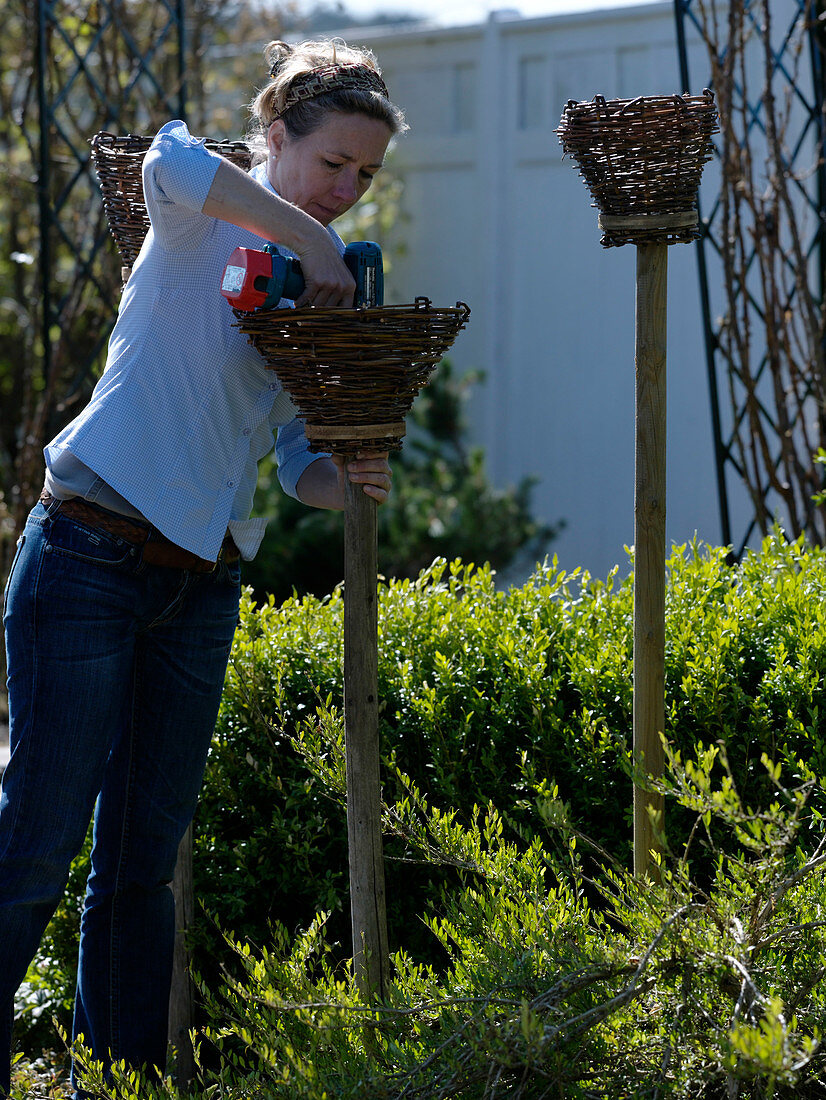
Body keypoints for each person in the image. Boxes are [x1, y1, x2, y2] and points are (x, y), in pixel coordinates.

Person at [0, 37, 405, 1098]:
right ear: (275, 136)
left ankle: (116, 1083)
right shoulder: (197, 210)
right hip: (89, 552)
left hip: (201, 587)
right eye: (333, 164)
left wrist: (350, 467)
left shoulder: (312, 292)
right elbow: (169, 159)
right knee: (34, 852)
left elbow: (289, 467)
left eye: (365, 177)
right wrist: (308, 233)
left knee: (139, 873)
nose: (348, 191)